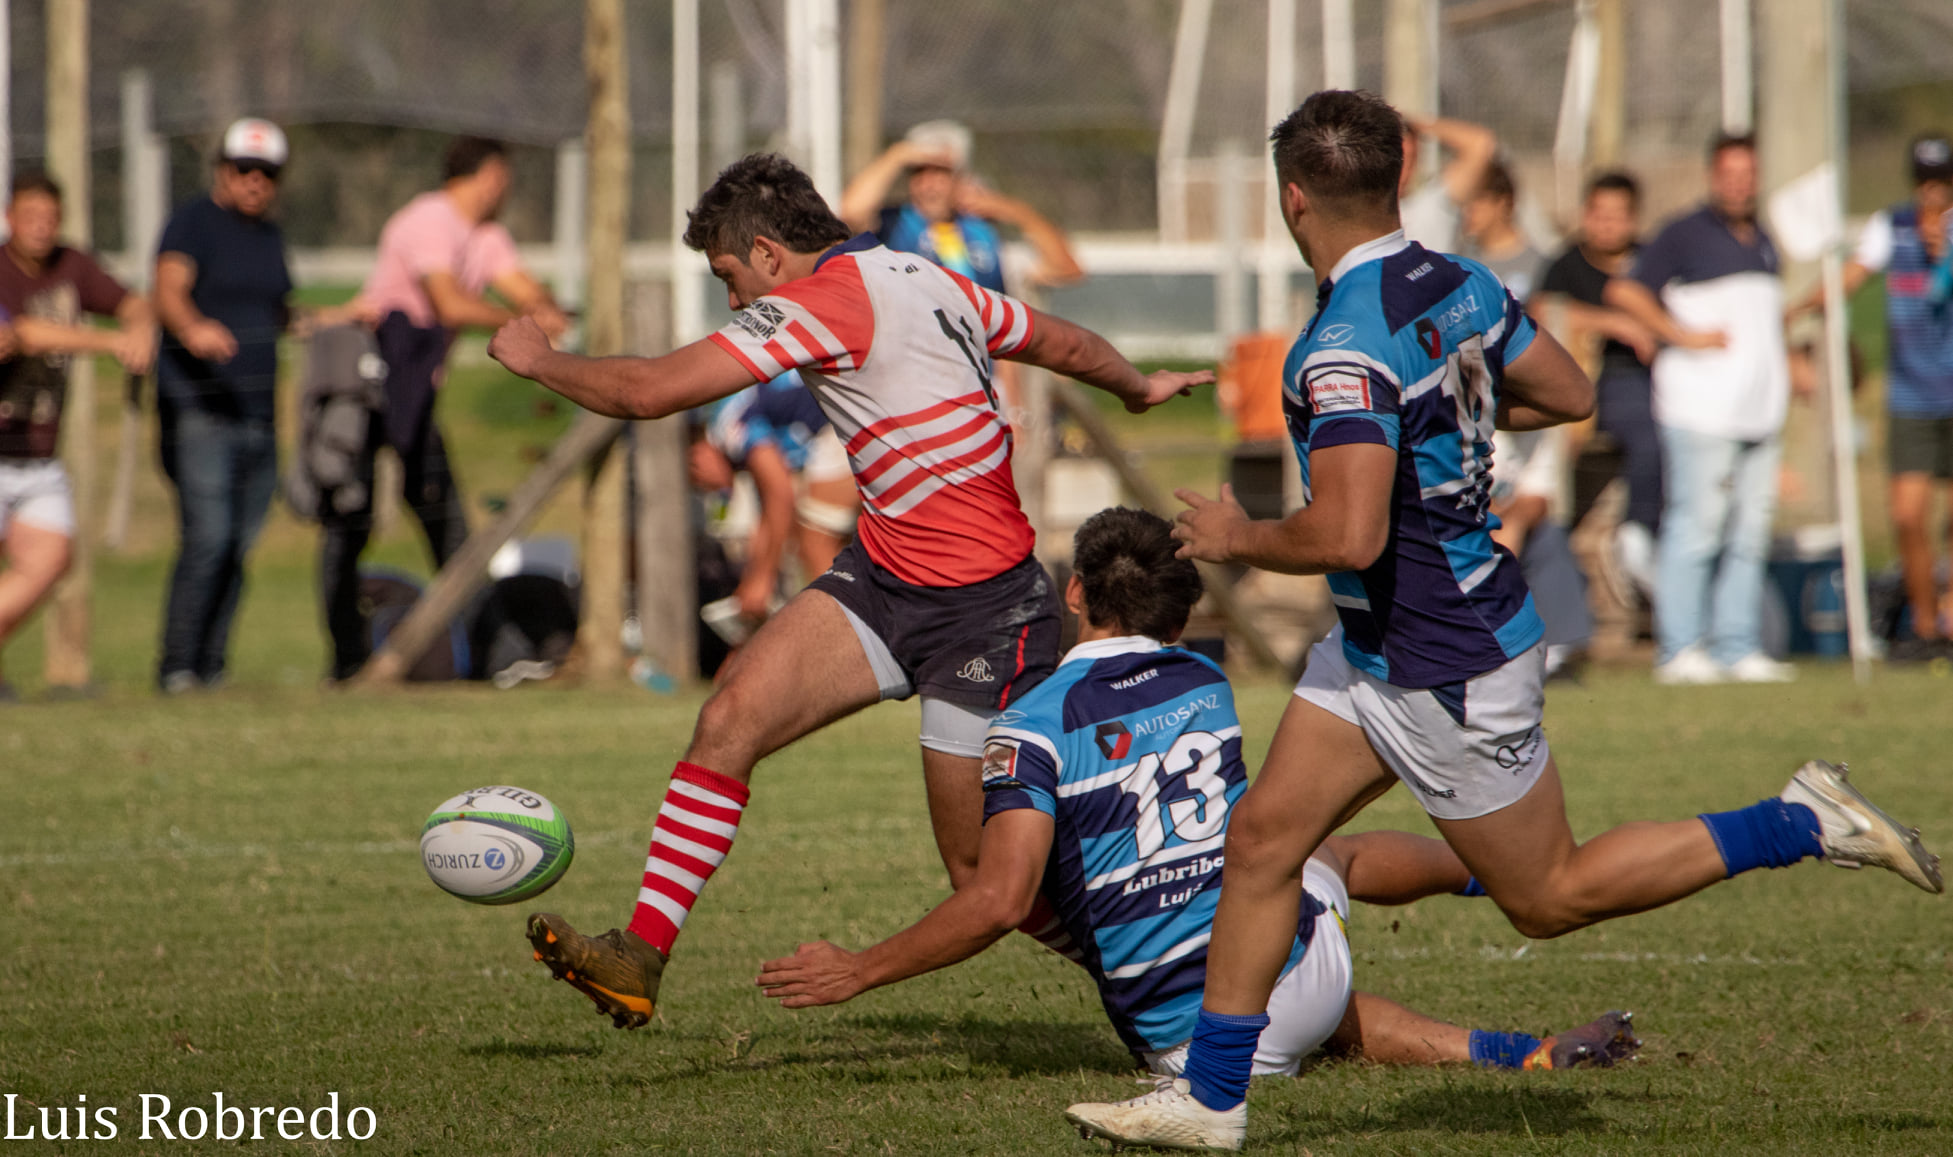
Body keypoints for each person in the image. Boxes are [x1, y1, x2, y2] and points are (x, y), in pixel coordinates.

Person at [1067, 90, 1942, 1153]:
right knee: (1259, 840)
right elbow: (1568, 390)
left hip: (1446, 659)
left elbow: (1346, 534)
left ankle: (1801, 820)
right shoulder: (1460, 279)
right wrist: (1438, 422)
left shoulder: (1341, 346)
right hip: (1381, 643)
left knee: (1551, 895)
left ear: (1292, 198)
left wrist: (1241, 536)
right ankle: (1210, 1100)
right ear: (1392, 182)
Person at [486, 153, 1210, 1030]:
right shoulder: (928, 277)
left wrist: (538, 360)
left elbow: (647, 392)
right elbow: (1055, 340)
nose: (732, 302)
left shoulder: (821, 301)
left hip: (986, 613)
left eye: (727, 277)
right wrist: (1136, 385)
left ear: (765, 252)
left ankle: (1189, 983)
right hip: (882, 577)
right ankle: (639, 954)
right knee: (728, 721)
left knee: (983, 881)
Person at [756, 507, 1639, 1086]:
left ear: (1074, 594)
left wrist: (858, 968)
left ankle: (1499, 945)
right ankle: (1496, 938)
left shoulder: (1028, 722)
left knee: (1267, 902)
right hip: (1293, 984)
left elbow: (997, 897)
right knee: (1322, 860)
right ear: (1178, 623)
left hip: (1192, 1046)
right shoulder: (1204, 679)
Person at [321, 136, 569, 680]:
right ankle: (345, 662)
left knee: (453, 535)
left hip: (418, 402)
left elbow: (523, 290)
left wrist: (548, 309)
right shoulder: (427, 220)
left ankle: (493, 657)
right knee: (348, 527)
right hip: (370, 397)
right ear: (485, 175)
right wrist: (524, 325)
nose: (506, 189)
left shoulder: (486, 237)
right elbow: (448, 302)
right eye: (503, 177)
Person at [151, 119, 367, 694]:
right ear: (222, 171)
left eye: (266, 173)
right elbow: (167, 289)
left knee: (241, 545)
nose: (254, 182)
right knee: (210, 537)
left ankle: (212, 666)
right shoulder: (193, 223)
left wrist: (337, 318)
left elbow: (280, 314)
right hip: (201, 409)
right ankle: (177, 665)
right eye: (244, 170)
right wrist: (194, 328)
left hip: (256, 415)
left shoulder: (268, 237)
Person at [1605, 134, 1796, 685]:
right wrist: (1678, 335)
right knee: (1698, 527)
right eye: (1729, 173)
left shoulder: (1763, 240)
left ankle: (1737, 645)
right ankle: (1681, 646)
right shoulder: (1683, 234)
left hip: (1759, 409)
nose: (1738, 184)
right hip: (1702, 409)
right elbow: (1627, 291)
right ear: (1713, 176)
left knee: (1749, 531)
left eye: (1748, 173)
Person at [1791, 135, 1953, 662]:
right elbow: (1849, 279)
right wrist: (1796, 312)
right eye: (1925, 181)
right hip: (1911, 395)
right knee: (1908, 516)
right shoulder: (1892, 226)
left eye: (1943, 182)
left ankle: (1949, 616)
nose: (1933, 193)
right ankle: (1925, 628)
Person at [0, 171, 156, 701]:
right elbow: (22, 334)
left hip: (38, 455)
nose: (41, 228)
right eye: (30, 217)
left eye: (50, 218)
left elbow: (132, 301)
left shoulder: (74, 265)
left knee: (50, 559)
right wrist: (110, 343)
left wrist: (138, 324)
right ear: (9, 219)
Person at [839, 120, 1083, 423]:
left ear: (962, 179)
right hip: (910, 389)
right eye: (918, 173)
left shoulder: (984, 234)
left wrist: (1014, 211)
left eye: (939, 173)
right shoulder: (893, 224)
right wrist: (899, 155)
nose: (927, 184)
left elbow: (1067, 269)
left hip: (981, 391)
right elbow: (850, 211)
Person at [1531, 172, 1662, 602]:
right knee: (1643, 426)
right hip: (1592, 385)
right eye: (1597, 214)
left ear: (1633, 219)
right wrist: (1614, 323)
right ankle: (1631, 539)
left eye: (1616, 215)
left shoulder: (1653, 261)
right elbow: (1542, 310)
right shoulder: (1565, 265)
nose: (1606, 224)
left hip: (1656, 380)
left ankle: (1640, 537)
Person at [690, 371, 859, 626]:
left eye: (699, 481)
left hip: (846, 418)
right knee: (837, 552)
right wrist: (752, 579)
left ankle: (841, 640)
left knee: (815, 538)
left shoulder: (728, 426)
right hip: (846, 417)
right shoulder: (736, 437)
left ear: (695, 457)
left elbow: (780, 492)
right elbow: (768, 519)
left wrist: (761, 580)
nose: (711, 488)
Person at [1490, 427, 1591, 678]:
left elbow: (1539, 498)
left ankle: (1556, 654)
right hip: (1461, 527)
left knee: (1550, 537)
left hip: (1509, 526)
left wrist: (1514, 524)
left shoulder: (1540, 429)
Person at [1397, 115, 1499, 254]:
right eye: (1400, 157)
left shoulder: (1432, 202)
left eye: (1413, 156)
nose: (1406, 165)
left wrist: (1412, 121)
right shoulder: (1365, 207)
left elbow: (1479, 143)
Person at [1459, 160, 1544, 301]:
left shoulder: (1540, 265)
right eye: (1464, 201)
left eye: (1477, 200)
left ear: (1503, 203)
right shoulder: (1460, 263)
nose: (1467, 210)